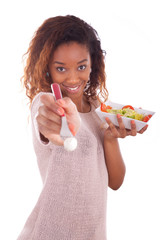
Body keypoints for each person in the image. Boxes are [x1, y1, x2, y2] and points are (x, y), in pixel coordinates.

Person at [17, 15, 148, 240]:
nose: (73, 77)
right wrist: (61, 122)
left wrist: (110, 137)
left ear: (92, 65)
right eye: (61, 69)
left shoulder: (98, 109)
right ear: (47, 68)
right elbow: (48, 120)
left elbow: (115, 183)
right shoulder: (46, 102)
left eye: (81, 66)